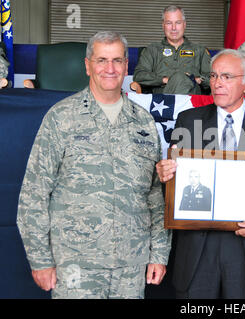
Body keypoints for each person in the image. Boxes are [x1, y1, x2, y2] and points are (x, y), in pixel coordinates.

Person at [16, 31, 172, 299]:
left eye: (117, 61)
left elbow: (155, 196)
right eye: (101, 60)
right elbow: (35, 192)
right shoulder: (62, 117)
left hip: (130, 267)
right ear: (88, 66)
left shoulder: (144, 123)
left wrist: (158, 253)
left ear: (126, 66)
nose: (109, 69)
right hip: (75, 265)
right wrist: (40, 259)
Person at [157, 49, 245, 298]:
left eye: (227, 76)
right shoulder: (188, 120)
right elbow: (173, 188)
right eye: (213, 76)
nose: (217, 83)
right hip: (197, 253)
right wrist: (166, 175)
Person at [132, 5, 211, 94]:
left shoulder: (199, 50)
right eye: (169, 23)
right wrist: (164, 80)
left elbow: (213, 78)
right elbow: (139, 76)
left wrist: (198, 80)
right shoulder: (152, 50)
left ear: (184, 24)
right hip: (161, 101)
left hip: (191, 100)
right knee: (179, 78)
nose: (173, 28)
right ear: (163, 25)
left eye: (178, 23)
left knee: (181, 78)